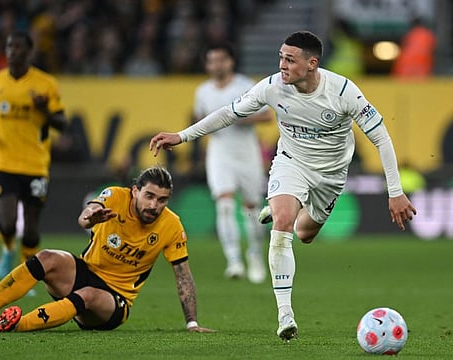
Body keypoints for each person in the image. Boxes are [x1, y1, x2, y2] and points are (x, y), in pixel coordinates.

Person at [149, 31, 417, 341]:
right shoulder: (272, 87)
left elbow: (381, 137)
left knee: (304, 234)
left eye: (290, 59)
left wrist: (395, 191)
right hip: (291, 163)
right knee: (283, 224)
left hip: (331, 176)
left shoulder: (344, 91)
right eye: (280, 57)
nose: (282, 65)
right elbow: (228, 114)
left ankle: (277, 209)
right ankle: (285, 314)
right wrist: (182, 136)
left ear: (312, 63)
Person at [0, 165, 214, 333]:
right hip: (84, 272)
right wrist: (90, 218)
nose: (154, 205)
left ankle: (16, 325)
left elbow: (183, 276)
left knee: (88, 294)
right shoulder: (114, 196)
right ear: (135, 191)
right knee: (46, 257)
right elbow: (86, 215)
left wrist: (192, 323)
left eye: (162, 200)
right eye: (149, 196)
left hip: (114, 301)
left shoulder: (172, 226)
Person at [0, 31, 67, 282]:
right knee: (7, 223)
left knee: (30, 229)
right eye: (9, 47)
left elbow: (61, 123)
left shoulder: (46, 83)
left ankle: (27, 274)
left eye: (17, 47)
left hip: (36, 164)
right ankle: (7, 250)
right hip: (5, 162)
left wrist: (43, 110)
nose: (12, 51)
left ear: (29, 52)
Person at [193, 43, 272, 283]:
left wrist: (238, 118)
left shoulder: (245, 86)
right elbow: (199, 118)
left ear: (230, 62)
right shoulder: (203, 91)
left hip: (247, 154)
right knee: (224, 204)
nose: (217, 65)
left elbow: (268, 115)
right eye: (212, 60)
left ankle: (255, 256)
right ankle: (234, 261)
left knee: (252, 209)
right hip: (220, 154)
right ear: (207, 65)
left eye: (221, 59)